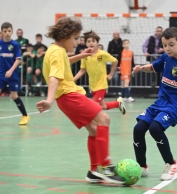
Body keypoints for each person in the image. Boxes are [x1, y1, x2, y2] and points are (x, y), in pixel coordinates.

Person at [36, 17, 125, 184]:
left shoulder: (55, 50)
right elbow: (54, 76)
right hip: (69, 95)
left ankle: (94, 171)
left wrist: (80, 56)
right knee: (104, 119)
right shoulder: (57, 52)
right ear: (65, 35)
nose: (78, 43)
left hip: (66, 97)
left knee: (93, 129)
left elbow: (64, 62)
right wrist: (49, 100)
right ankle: (105, 167)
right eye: (76, 38)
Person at [132, 27, 177, 181]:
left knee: (155, 128)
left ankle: (171, 163)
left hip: (175, 106)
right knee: (138, 129)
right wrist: (141, 68)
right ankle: (142, 166)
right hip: (160, 102)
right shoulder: (166, 57)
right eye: (165, 45)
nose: (167, 48)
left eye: (171, 44)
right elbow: (153, 67)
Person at [73, 31, 126, 114]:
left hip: (102, 85)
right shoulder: (84, 56)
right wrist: (73, 79)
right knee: (103, 106)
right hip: (93, 85)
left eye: (93, 41)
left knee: (95, 106)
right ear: (86, 43)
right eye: (89, 41)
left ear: (97, 42)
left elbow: (115, 61)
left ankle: (96, 124)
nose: (91, 43)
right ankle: (118, 103)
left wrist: (111, 74)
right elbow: (82, 70)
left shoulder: (102, 54)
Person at [0, 22, 30, 125]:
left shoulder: (15, 45)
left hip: (12, 75)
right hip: (1, 75)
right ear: (2, 32)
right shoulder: (0, 44)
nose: (7, 33)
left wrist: (10, 71)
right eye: (5, 31)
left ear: (12, 32)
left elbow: (18, 59)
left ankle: (25, 116)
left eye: (9, 31)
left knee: (14, 96)